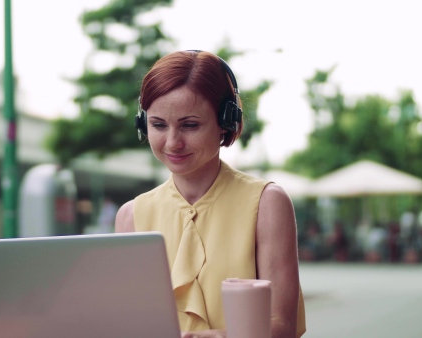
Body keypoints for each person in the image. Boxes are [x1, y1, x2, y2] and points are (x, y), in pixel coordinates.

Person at [115, 50, 306, 338]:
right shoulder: (131, 216)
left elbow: (282, 326)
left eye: (190, 125)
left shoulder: (266, 203)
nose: (172, 142)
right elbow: (129, 323)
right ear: (143, 124)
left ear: (225, 122)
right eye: (158, 125)